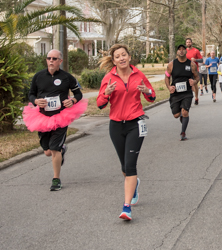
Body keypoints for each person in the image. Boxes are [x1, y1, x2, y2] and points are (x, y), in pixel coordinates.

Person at [97, 44, 156, 221]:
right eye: (117, 56)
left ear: (129, 57)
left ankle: (126, 207)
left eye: (124, 55)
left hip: (135, 123)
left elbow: (151, 97)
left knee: (130, 165)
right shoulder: (108, 78)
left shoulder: (139, 75)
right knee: (124, 166)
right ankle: (134, 184)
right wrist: (106, 93)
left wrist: (148, 91)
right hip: (116, 125)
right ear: (114, 61)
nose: (121, 58)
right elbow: (100, 104)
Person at [23, 49, 87, 191]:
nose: (51, 61)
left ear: (60, 61)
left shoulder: (67, 77)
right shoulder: (38, 76)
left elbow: (78, 93)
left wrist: (74, 100)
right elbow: (31, 94)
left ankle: (56, 179)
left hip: (61, 117)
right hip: (42, 117)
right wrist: (35, 101)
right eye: (49, 58)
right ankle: (61, 149)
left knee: (54, 148)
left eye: (54, 58)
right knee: (47, 152)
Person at [165, 44, 199, 141]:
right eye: (179, 49)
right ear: (177, 52)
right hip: (175, 92)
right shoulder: (172, 64)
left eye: (183, 49)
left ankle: (183, 133)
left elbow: (197, 77)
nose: (181, 51)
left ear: (186, 51)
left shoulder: (191, 64)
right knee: (176, 115)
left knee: (185, 112)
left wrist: (195, 82)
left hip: (187, 92)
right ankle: (182, 118)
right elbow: (167, 77)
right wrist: (168, 87)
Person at [185, 38, 203, 105]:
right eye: (187, 42)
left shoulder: (196, 50)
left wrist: (195, 60)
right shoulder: (184, 51)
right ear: (186, 43)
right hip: (186, 70)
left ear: (191, 43)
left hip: (195, 70)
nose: (188, 43)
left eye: (189, 42)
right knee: (187, 85)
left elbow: (201, 60)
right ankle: (188, 98)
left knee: (195, 83)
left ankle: (196, 98)